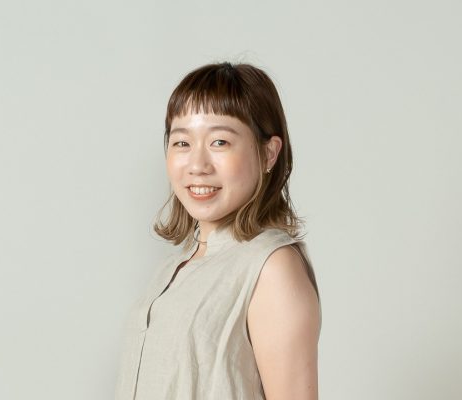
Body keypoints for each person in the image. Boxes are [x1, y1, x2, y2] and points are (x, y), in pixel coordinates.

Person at [116, 62, 321, 399]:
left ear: (269, 153)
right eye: (182, 143)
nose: (197, 165)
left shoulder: (271, 267)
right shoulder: (173, 269)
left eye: (220, 141)